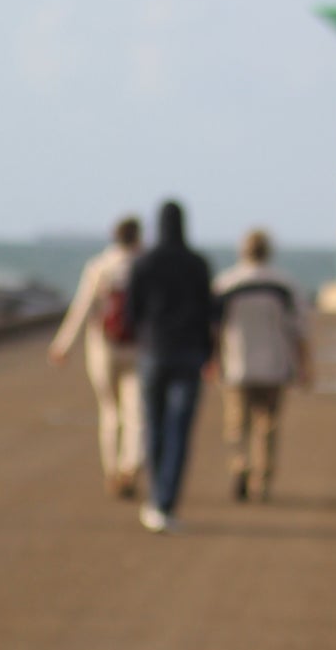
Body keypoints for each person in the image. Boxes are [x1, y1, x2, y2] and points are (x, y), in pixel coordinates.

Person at [127, 198, 214, 534]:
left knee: (154, 425)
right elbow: (208, 311)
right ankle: (166, 501)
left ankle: (155, 499)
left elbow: (132, 312)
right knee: (179, 429)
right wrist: (209, 353)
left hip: (153, 353)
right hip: (189, 355)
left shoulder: (144, 262)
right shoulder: (197, 264)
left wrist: (146, 339)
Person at [48, 215, 144, 497]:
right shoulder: (144, 266)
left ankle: (112, 471)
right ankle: (131, 466)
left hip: (103, 348)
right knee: (136, 413)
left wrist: (62, 345)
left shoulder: (99, 267)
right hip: (137, 349)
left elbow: (82, 307)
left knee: (110, 411)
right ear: (138, 237)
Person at [211, 228, 310, 502]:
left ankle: (239, 464)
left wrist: (213, 359)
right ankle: (262, 480)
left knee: (235, 425)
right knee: (267, 426)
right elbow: (299, 330)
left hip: (236, 366)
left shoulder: (226, 283)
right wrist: (305, 365)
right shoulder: (284, 285)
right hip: (274, 367)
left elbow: (215, 329)